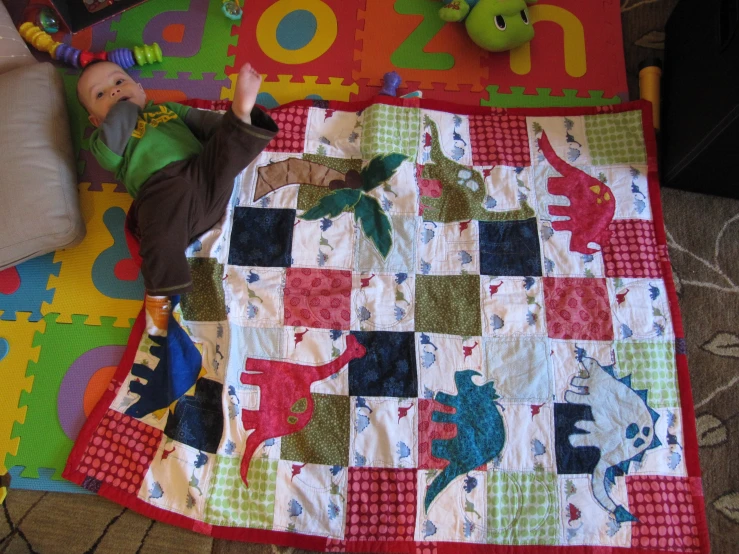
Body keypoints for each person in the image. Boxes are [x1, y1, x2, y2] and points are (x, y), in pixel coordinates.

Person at [77, 61, 278, 330]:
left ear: (141, 89)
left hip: (203, 175)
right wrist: (125, 104)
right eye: (100, 94)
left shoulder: (167, 110)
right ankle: (161, 294)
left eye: (118, 82)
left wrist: (231, 122)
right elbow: (116, 127)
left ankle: (242, 112)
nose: (113, 92)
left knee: (225, 150)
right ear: (95, 120)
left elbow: (208, 125)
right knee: (158, 240)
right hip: (161, 192)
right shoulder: (103, 142)